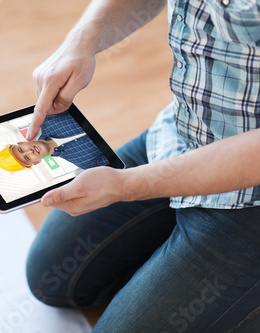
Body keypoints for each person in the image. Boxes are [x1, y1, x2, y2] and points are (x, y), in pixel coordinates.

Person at [25, 0, 260, 331]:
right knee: (51, 277)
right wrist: (82, 39)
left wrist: (126, 185)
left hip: (251, 195)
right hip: (181, 134)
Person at [0, 112, 109, 172]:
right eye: (27, 158)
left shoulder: (49, 116)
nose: (29, 151)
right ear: (36, 162)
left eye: (21, 150)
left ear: (21, 143)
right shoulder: (86, 163)